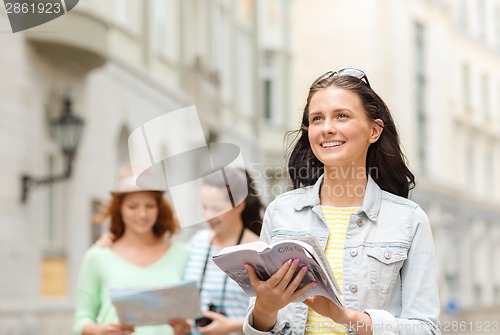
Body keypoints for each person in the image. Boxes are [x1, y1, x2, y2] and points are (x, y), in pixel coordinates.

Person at [242, 68, 441, 335]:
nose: (327, 128)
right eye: (317, 119)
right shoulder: (281, 212)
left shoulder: (408, 219)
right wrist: (264, 309)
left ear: (374, 130)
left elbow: (427, 330)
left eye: (342, 116)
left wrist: (349, 318)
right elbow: (263, 325)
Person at [72, 165, 191, 335]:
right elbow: (81, 320)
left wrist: (185, 330)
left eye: (149, 205)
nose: (142, 214)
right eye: (133, 206)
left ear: (159, 207)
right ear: (119, 209)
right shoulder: (97, 257)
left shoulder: (182, 254)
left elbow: (193, 315)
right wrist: (101, 331)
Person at [183, 167, 265, 335]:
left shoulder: (258, 250)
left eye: (217, 209)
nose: (208, 215)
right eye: (204, 207)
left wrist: (231, 326)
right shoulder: (197, 242)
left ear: (239, 204)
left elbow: (275, 312)